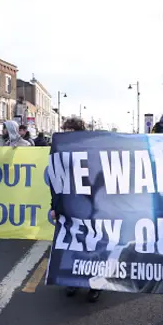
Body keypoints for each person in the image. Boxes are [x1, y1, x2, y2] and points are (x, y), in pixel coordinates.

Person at [48, 117, 102, 302]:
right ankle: (73, 281)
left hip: (91, 206)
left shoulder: (92, 150)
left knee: (92, 246)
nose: (67, 134)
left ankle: (95, 285)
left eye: (71, 131)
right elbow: (56, 182)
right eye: (65, 131)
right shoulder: (59, 152)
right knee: (72, 246)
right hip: (68, 207)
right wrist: (54, 207)